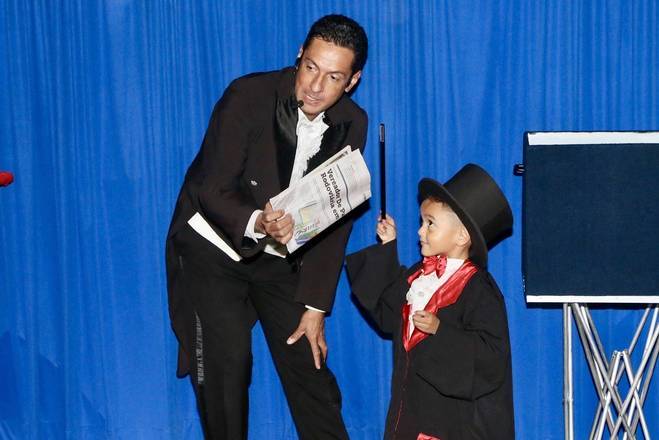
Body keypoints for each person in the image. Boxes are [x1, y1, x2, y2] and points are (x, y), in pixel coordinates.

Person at [165, 14, 368, 439]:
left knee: (310, 366)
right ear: (299, 54)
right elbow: (209, 187)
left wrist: (315, 308)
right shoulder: (248, 95)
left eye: (333, 77)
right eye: (310, 67)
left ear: (352, 81)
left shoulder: (353, 123)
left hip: (279, 258)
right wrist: (258, 220)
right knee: (227, 364)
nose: (315, 86)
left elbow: (335, 220)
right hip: (213, 247)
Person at [346, 164, 515, 439]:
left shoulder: (479, 289)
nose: (420, 231)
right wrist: (388, 247)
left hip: (451, 424)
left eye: (430, 224)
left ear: (461, 236)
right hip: (409, 414)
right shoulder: (418, 276)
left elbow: (491, 360)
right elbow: (387, 316)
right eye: (422, 223)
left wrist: (440, 330)